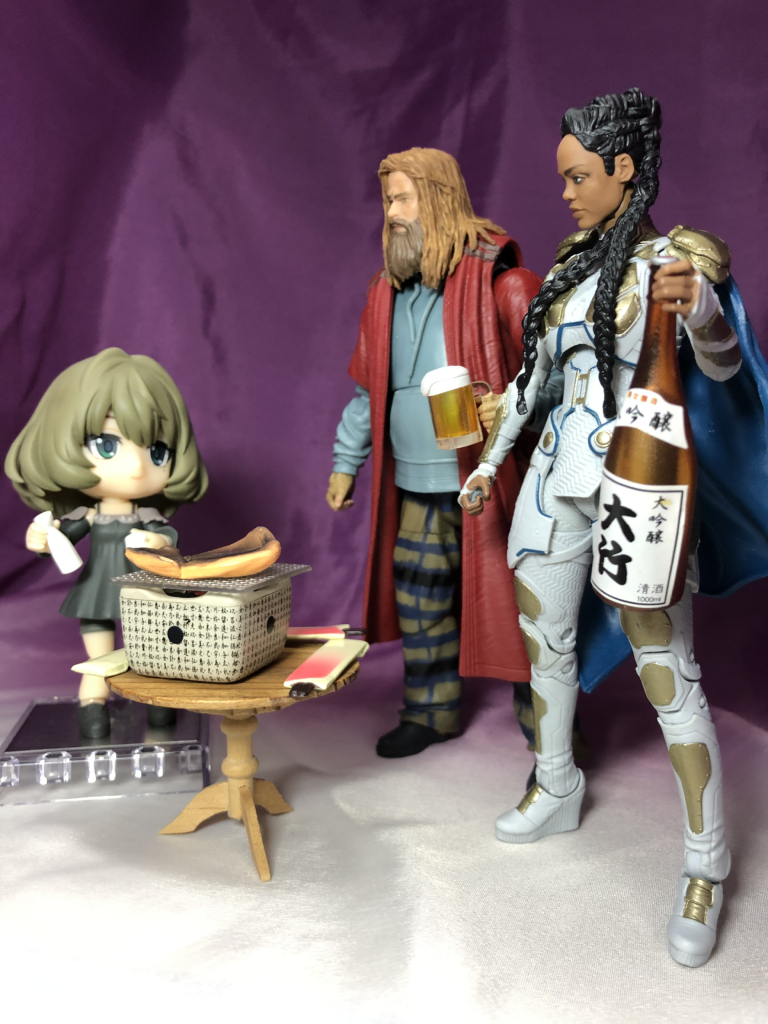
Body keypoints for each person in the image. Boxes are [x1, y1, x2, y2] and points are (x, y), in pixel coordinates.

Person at [459, 88, 755, 968]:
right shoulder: (571, 272)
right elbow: (531, 387)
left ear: (624, 168)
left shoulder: (674, 261)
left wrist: (700, 308)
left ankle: (705, 863)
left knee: (669, 674)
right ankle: (556, 783)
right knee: (543, 642)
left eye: (578, 176)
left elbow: (724, 365)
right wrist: (488, 463)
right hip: (557, 482)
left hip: (638, 486)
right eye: (562, 177)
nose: (565, 193)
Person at [326, 147, 543, 758]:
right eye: (387, 201)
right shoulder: (384, 296)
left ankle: (551, 730)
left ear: (439, 199)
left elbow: (555, 375)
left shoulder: (501, 283)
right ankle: (431, 710)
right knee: (421, 603)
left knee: (522, 610)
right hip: (418, 487)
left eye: (402, 198)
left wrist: (508, 406)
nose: (392, 213)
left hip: (492, 485)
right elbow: (367, 394)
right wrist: (346, 462)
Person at [5, 348, 208, 738]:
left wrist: (156, 540)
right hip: (98, 592)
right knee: (99, 660)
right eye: (108, 445)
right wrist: (41, 538)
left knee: (151, 653)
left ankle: (156, 704)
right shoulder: (89, 515)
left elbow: (168, 539)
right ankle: (93, 707)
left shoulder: (147, 515)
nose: (137, 469)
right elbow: (62, 539)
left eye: (157, 452)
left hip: (142, 593)